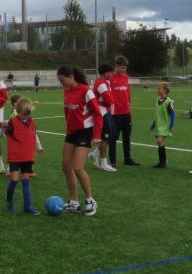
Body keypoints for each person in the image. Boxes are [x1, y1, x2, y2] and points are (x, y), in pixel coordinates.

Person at [57, 66, 101, 216]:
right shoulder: (66, 91)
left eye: (62, 80)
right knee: (66, 166)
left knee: (77, 167)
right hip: (71, 133)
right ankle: (74, 202)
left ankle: (90, 200)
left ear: (71, 77)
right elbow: (67, 113)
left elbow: (97, 114)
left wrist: (96, 134)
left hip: (85, 131)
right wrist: (68, 128)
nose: (61, 83)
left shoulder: (86, 91)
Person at [4, 97, 42, 214]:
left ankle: (28, 207)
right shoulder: (12, 122)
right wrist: (2, 128)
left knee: (26, 180)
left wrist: (39, 146)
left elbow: (34, 134)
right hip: (15, 156)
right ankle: (9, 200)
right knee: (14, 179)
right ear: (18, 111)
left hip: (27, 156)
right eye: (23, 114)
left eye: (28, 114)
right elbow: (3, 134)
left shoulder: (32, 122)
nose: (26, 117)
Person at [109, 55, 140, 166]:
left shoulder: (127, 77)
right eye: (122, 68)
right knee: (113, 137)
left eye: (125, 68)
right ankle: (113, 161)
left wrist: (128, 105)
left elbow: (128, 93)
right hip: (115, 114)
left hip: (126, 113)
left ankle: (127, 159)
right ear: (116, 66)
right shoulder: (110, 78)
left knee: (127, 137)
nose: (124, 70)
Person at [88, 63, 118, 172]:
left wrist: (110, 99)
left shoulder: (104, 82)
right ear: (105, 73)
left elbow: (109, 99)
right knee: (105, 137)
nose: (112, 75)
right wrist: (111, 99)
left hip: (105, 111)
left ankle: (94, 154)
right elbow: (108, 100)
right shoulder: (101, 83)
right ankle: (104, 164)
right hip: (101, 112)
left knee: (112, 135)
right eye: (111, 73)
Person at [150, 81, 175, 169]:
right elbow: (157, 114)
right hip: (158, 125)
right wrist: (153, 124)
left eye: (159, 89)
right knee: (160, 142)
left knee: (159, 141)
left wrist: (171, 125)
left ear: (165, 90)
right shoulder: (157, 100)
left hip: (165, 126)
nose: (157, 90)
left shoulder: (168, 101)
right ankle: (162, 161)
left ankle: (163, 162)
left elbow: (173, 114)